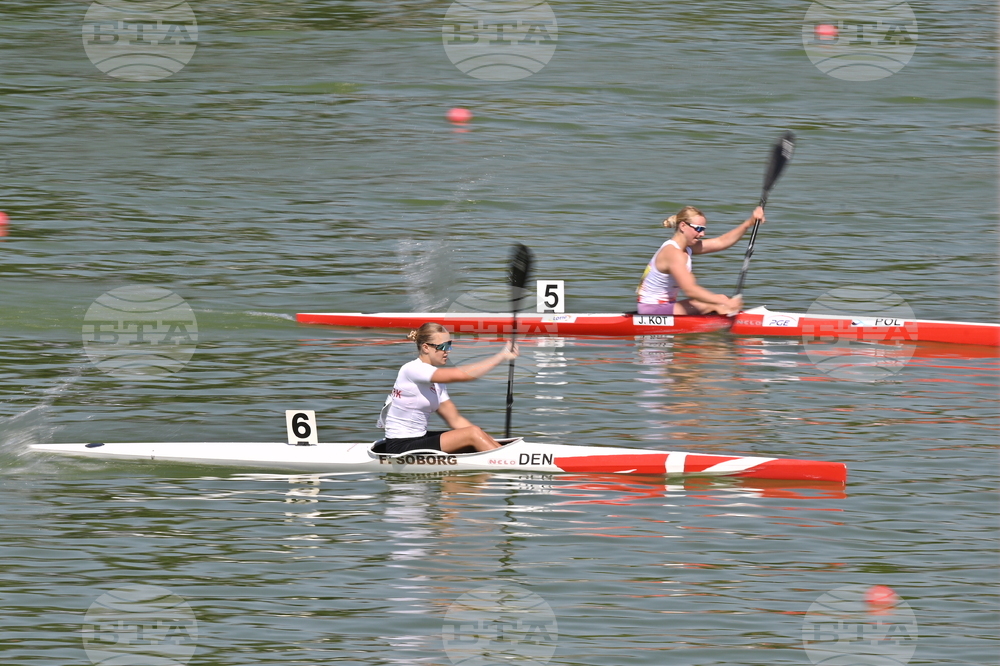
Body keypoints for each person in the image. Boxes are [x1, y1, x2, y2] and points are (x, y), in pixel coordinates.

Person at [374, 323, 518, 454]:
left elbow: (455, 420)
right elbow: (464, 375)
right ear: (425, 347)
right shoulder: (412, 369)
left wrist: (491, 441)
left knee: (474, 433)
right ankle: (508, 460)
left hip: (418, 439)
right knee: (472, 434)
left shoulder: (437, 382)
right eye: (442, 346)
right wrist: (501, 356)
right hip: (400, 446)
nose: (447, 351)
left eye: (449, 345)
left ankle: (504, 456)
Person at [636, 205, 765, 316]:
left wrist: (749, 223)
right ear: (683, 226)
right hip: (651, 310)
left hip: (666, 306)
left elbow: (721, 242)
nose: (702, 234)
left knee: (719, 301)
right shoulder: (673, 253)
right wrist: (725, 302)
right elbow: (690, 290)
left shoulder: (688, 248)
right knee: (718, 303)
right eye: (698, 229)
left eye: (703, 229)